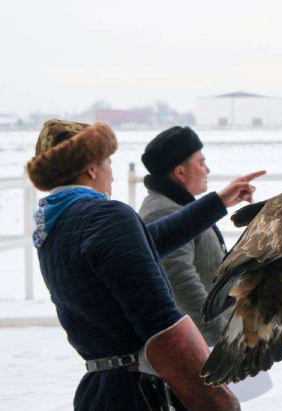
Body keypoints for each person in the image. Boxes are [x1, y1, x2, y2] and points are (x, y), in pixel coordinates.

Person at [26, 120, 255, 410]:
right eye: (108, 162)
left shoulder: (55, 227)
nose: (112, 173)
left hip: (101, 391)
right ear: (91, 169)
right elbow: (162, 325)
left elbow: (148, 241)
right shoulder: (106, 216)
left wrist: (217, 202)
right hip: (143, 394)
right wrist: (219, 401)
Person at [138, 126, 273, 402]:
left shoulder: (176, 206)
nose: (207, 169)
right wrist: (220, 338)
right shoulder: (163, 210)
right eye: (201, 162)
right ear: (180, 172)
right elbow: (181, 282)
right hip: (198, 350)